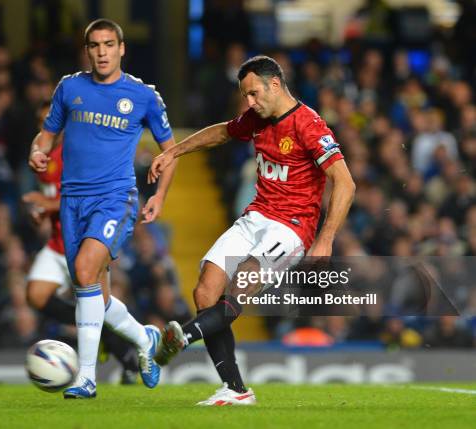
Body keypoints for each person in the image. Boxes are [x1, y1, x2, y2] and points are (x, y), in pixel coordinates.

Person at [149, 56, 355, 405]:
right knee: (205, 292)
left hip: (292, 227)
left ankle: (181, 338)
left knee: (241, 283)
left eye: (253, 93)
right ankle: (235, 389)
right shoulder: (257, 118)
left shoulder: (309, 124)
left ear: (275, 84)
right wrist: (174, 152)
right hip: (256, 216)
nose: (249, 102)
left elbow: (345, 182)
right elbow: (223, 132)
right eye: (245, 95)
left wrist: (326, 237)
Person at [28, 19, 178, 399]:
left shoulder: (143, 96)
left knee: (82, 271)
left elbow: (171, 150)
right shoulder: (70, 88)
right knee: (94, 294)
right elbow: (47, 134)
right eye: (95, 45)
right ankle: (145, 338)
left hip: (115, 198)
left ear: (121, 48)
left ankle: (87, 377)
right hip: (72, 201)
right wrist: (38, 150)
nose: (102, 52)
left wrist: (159, 196)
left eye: (109, 44)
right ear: (87, 50)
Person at [24, 135, 140, 384]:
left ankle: (129, 358)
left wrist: (47, 204)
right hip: (58, 244)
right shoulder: (43, 158)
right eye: (42, 121)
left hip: (84, 244)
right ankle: (104, 335)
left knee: (103, 305)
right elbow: (56, 197)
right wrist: (42, 212)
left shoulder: (79, 150)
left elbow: (85, 195)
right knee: (35, 294)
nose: (48, 127)